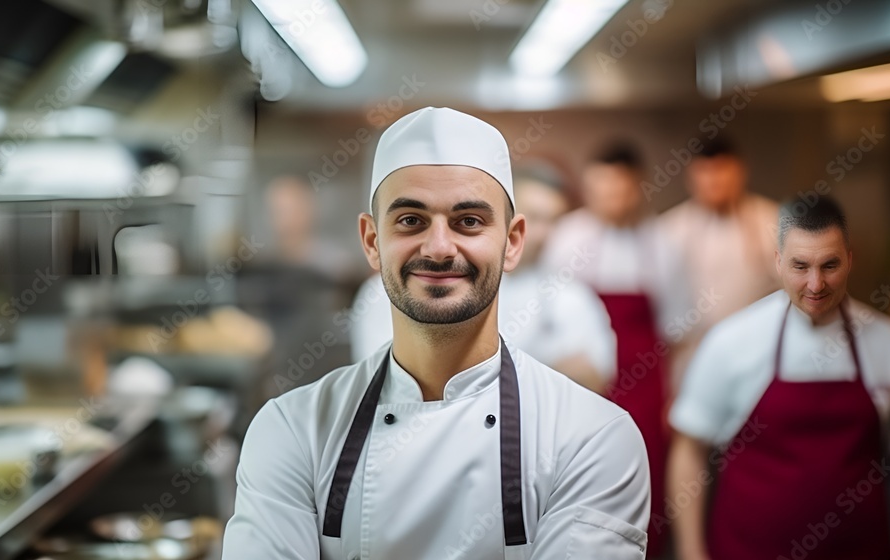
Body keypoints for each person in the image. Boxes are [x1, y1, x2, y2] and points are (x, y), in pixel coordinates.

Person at [223, 107, 651, 559]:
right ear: (372, 242)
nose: (440, 248)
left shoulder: (592, 439)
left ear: (512, 242)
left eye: (469, 221)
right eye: (411, 220)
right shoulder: (291, 431)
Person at [667, 197, 890, 560]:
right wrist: (692, 554)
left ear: (851, 259)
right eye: (800, 266)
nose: (816, 284)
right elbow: (689, 449)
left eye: (830, 265)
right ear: (777, 262)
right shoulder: (730, 342)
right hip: (745, 550)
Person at [348, 162, 617, 393]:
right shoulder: (388, 290)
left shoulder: (571, 295)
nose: (544, 233)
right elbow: (387, 379)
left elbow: (593, 378)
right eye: (536, 217)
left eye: (553, 220)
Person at [541, 143, 691, 558]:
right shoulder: (566, 237)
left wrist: (675, 395)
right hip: (581, 378)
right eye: (600, 188)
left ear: (638, 187)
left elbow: (678, 330)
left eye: (619, 188)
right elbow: (548, 318)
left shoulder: (662, 244)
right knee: (581, 467)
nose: (610, 197)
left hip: (646, 383)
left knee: (645, 469)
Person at [658, 138, 779, 384]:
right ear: (691, 176)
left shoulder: (774, 221)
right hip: (691, 357)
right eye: (705, 171)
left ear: (740, 171)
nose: (714, 180)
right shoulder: (669, 230)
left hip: (758, 354)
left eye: (722, 170)